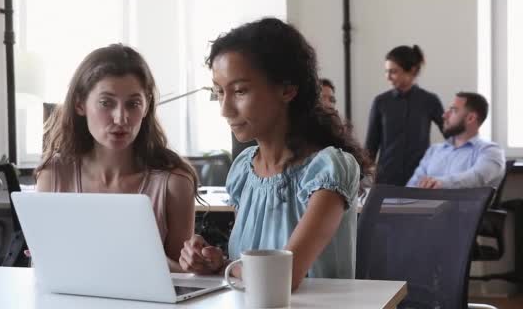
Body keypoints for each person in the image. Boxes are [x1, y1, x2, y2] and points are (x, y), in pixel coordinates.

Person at [179, 18, 372, 290]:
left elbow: (281, 276)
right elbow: (245, 266)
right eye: (219, 92)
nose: (225, 109)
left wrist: (224, 268)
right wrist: (213, 259)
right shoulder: (244, 170)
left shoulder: (328, 169)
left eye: (240, 91)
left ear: (287, 89)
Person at [35, 44, 198, 272]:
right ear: (80, 104)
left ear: (147, 104)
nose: (121, 118)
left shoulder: (174, 182)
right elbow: (43, 270)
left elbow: (186, 280)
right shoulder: (53, 175)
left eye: (133, 104)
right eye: (106, 103)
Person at [365, 45, 444, 186]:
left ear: (412, 70)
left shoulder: (430, 101)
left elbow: (451, 137)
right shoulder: (380, 102)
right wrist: (361, 180)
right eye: (386, 71)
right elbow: (370, 146)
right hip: (386, 181)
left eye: (393, 72)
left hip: (419, 180)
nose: (388, 77)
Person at [407, 92, 505, 189]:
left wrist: (439, 183)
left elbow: (477, 177)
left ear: (470, 118)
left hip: (464, 205)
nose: (444, 115)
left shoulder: (491, 151)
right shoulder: (434, 150)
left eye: (453, 110)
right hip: (423, 204)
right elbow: (413, 185)